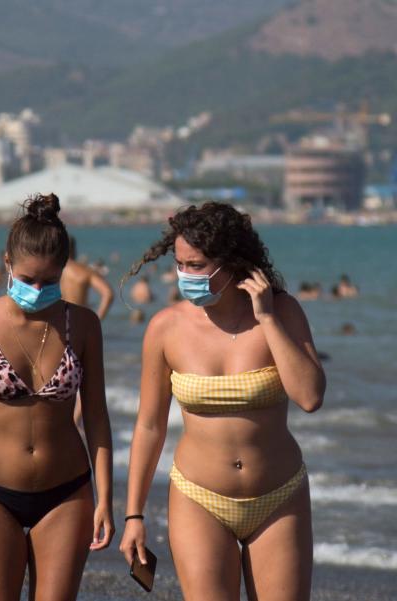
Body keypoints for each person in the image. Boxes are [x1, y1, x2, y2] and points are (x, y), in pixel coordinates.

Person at [118, 202, 325, 600]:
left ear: (231, 262)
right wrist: (134, 515)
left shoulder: (283, 312)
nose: (185, 276)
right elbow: (149, 426)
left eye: (196, 266)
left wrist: (267, 319)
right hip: (199, 499)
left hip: (279, 496)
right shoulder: (165, 328)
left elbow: (310, 396)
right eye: (179, 264)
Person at [0, 194, 113, 600]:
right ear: (7, 264)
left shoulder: (82, 325)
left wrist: (107, 498)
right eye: (29, 278)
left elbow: (98, 418)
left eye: (50, 281)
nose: (38, 289)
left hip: (67, 491)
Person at [60, 235, 114, 320]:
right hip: (77, 324)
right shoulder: (83, 271)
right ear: (73, 249)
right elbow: (108, 293)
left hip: (54, 325)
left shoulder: (49, 271)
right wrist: (97, 321)